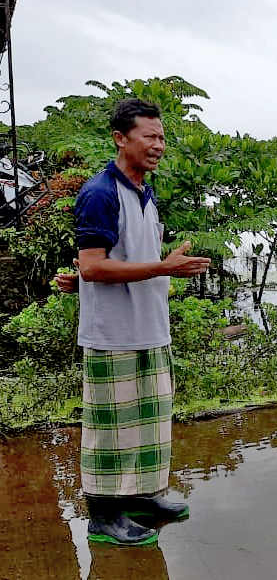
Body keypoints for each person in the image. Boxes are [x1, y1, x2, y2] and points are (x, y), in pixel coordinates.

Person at [54, 99, 210, 546]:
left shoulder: (144, 190)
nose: (159, 145)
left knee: (148, 420)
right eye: (150, 137)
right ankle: (104, 515)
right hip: (113, 335)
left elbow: (107, 262)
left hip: (150, 326)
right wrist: (163, 268)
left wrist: (90, 276)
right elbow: (94, 266)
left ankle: (142, 495)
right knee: (109, 428)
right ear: (121, 139)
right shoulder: (100, 192)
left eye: (162, 138)